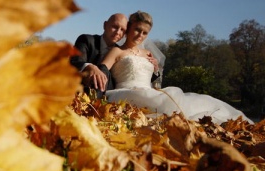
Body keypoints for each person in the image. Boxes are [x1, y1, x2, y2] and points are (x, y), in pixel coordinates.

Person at [101, 11, 253, 124]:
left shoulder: (147, 53)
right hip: (126, 92)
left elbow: (154, 79)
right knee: (168, 103)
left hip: (150, 91)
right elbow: (101, 69)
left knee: (198, 101)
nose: (140, 35)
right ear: (128, 29)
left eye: (144, 33)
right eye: (137, 29)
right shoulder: (117, 51)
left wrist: (155, 70)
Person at [70, 13, 160, 96]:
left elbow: (135, 76)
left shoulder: (122, 51)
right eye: (114, 27)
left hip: (114, 94)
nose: (118, 32)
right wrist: (89, 66)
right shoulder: (87, 40)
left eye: (122, 30)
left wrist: (155, 69)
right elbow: (74, 62)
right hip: (79, 92)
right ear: (105, 25)